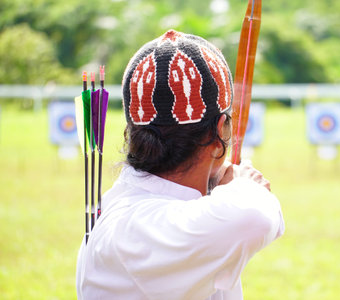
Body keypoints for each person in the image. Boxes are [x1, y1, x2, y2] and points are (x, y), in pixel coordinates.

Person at [76, 30, 284, 300]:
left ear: (132, 132)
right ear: (220, 132)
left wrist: (215, 183)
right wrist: (244, 183)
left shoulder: (127, 204)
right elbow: (255, 218)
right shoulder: (137, 228)